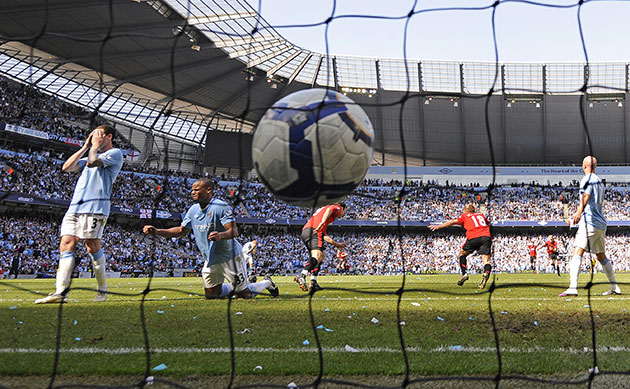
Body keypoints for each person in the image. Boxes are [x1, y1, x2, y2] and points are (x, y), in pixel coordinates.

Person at [142, 178, 278, 299]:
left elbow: (234, 231)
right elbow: (180, 231)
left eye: (196, 189)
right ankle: (235, 285)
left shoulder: (220, 206)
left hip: (229, 257)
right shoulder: (193, 210)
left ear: (208, 190)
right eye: (192, 190)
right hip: (210, 259)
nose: (192, 192)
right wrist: (158, 231)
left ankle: (266, 282)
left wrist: (221, 235)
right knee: (212, 295)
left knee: (243, 295)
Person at [35, 125, 123, 304]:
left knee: (91, 245)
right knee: (66, 243)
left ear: (109, 136)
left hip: (95, 207)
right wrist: (85, 147)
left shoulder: (115, 153)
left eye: (98, 134)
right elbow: (66, 167)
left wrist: (94, 148)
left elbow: (92, 162)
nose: (94, 137)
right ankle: (61, 292)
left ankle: (102, 290)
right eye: (93, 135)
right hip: (75, 207)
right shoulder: (91, 151)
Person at [559, 156, 621, 297]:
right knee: (600, 255)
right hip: (600, 223)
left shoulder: (586, 179)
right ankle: (615, 286)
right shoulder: (599, 181)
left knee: (577, 252)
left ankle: (573, 287)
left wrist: (578, 212)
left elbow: (586, 196)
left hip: (589, 222)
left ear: (585, 166)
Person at [429, 203, 493, 289]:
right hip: (486, 236)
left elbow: (452, 222)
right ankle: (486, 272)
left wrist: (439, 226)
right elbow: (488, 224)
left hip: (473, 236)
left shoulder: (465, 216)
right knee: (486, 260)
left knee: (462, 254)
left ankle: (464, 273)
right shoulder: (481, 215)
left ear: (466, 211)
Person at [295, 202, 347, 292]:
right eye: (344, 212)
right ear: (342, 208)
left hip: (306, 231)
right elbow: (329, 210)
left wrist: (337, 244)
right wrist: (321, 223)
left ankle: (313, 282)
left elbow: (325, 236)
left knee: (321, 257)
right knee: (318, 256)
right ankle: (302, 275)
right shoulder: (337, 208)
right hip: (314, 231)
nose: (343, 214)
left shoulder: (322, 213)